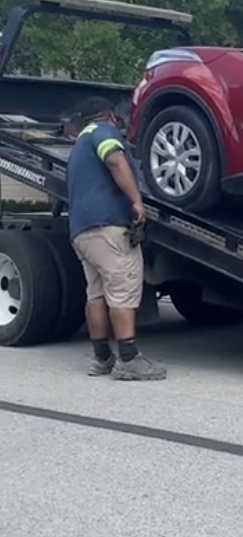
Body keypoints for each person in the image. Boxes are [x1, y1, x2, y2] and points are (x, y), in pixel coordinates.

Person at [65, 96, 167, 380]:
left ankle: (101, 359)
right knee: (122, 290)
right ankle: (129, 360)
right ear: (108, 115)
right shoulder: (102, 132)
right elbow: (115, 160)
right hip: (108, 225)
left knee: (96, 295)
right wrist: (136, 200)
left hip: (82, 231)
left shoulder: (78, 148)